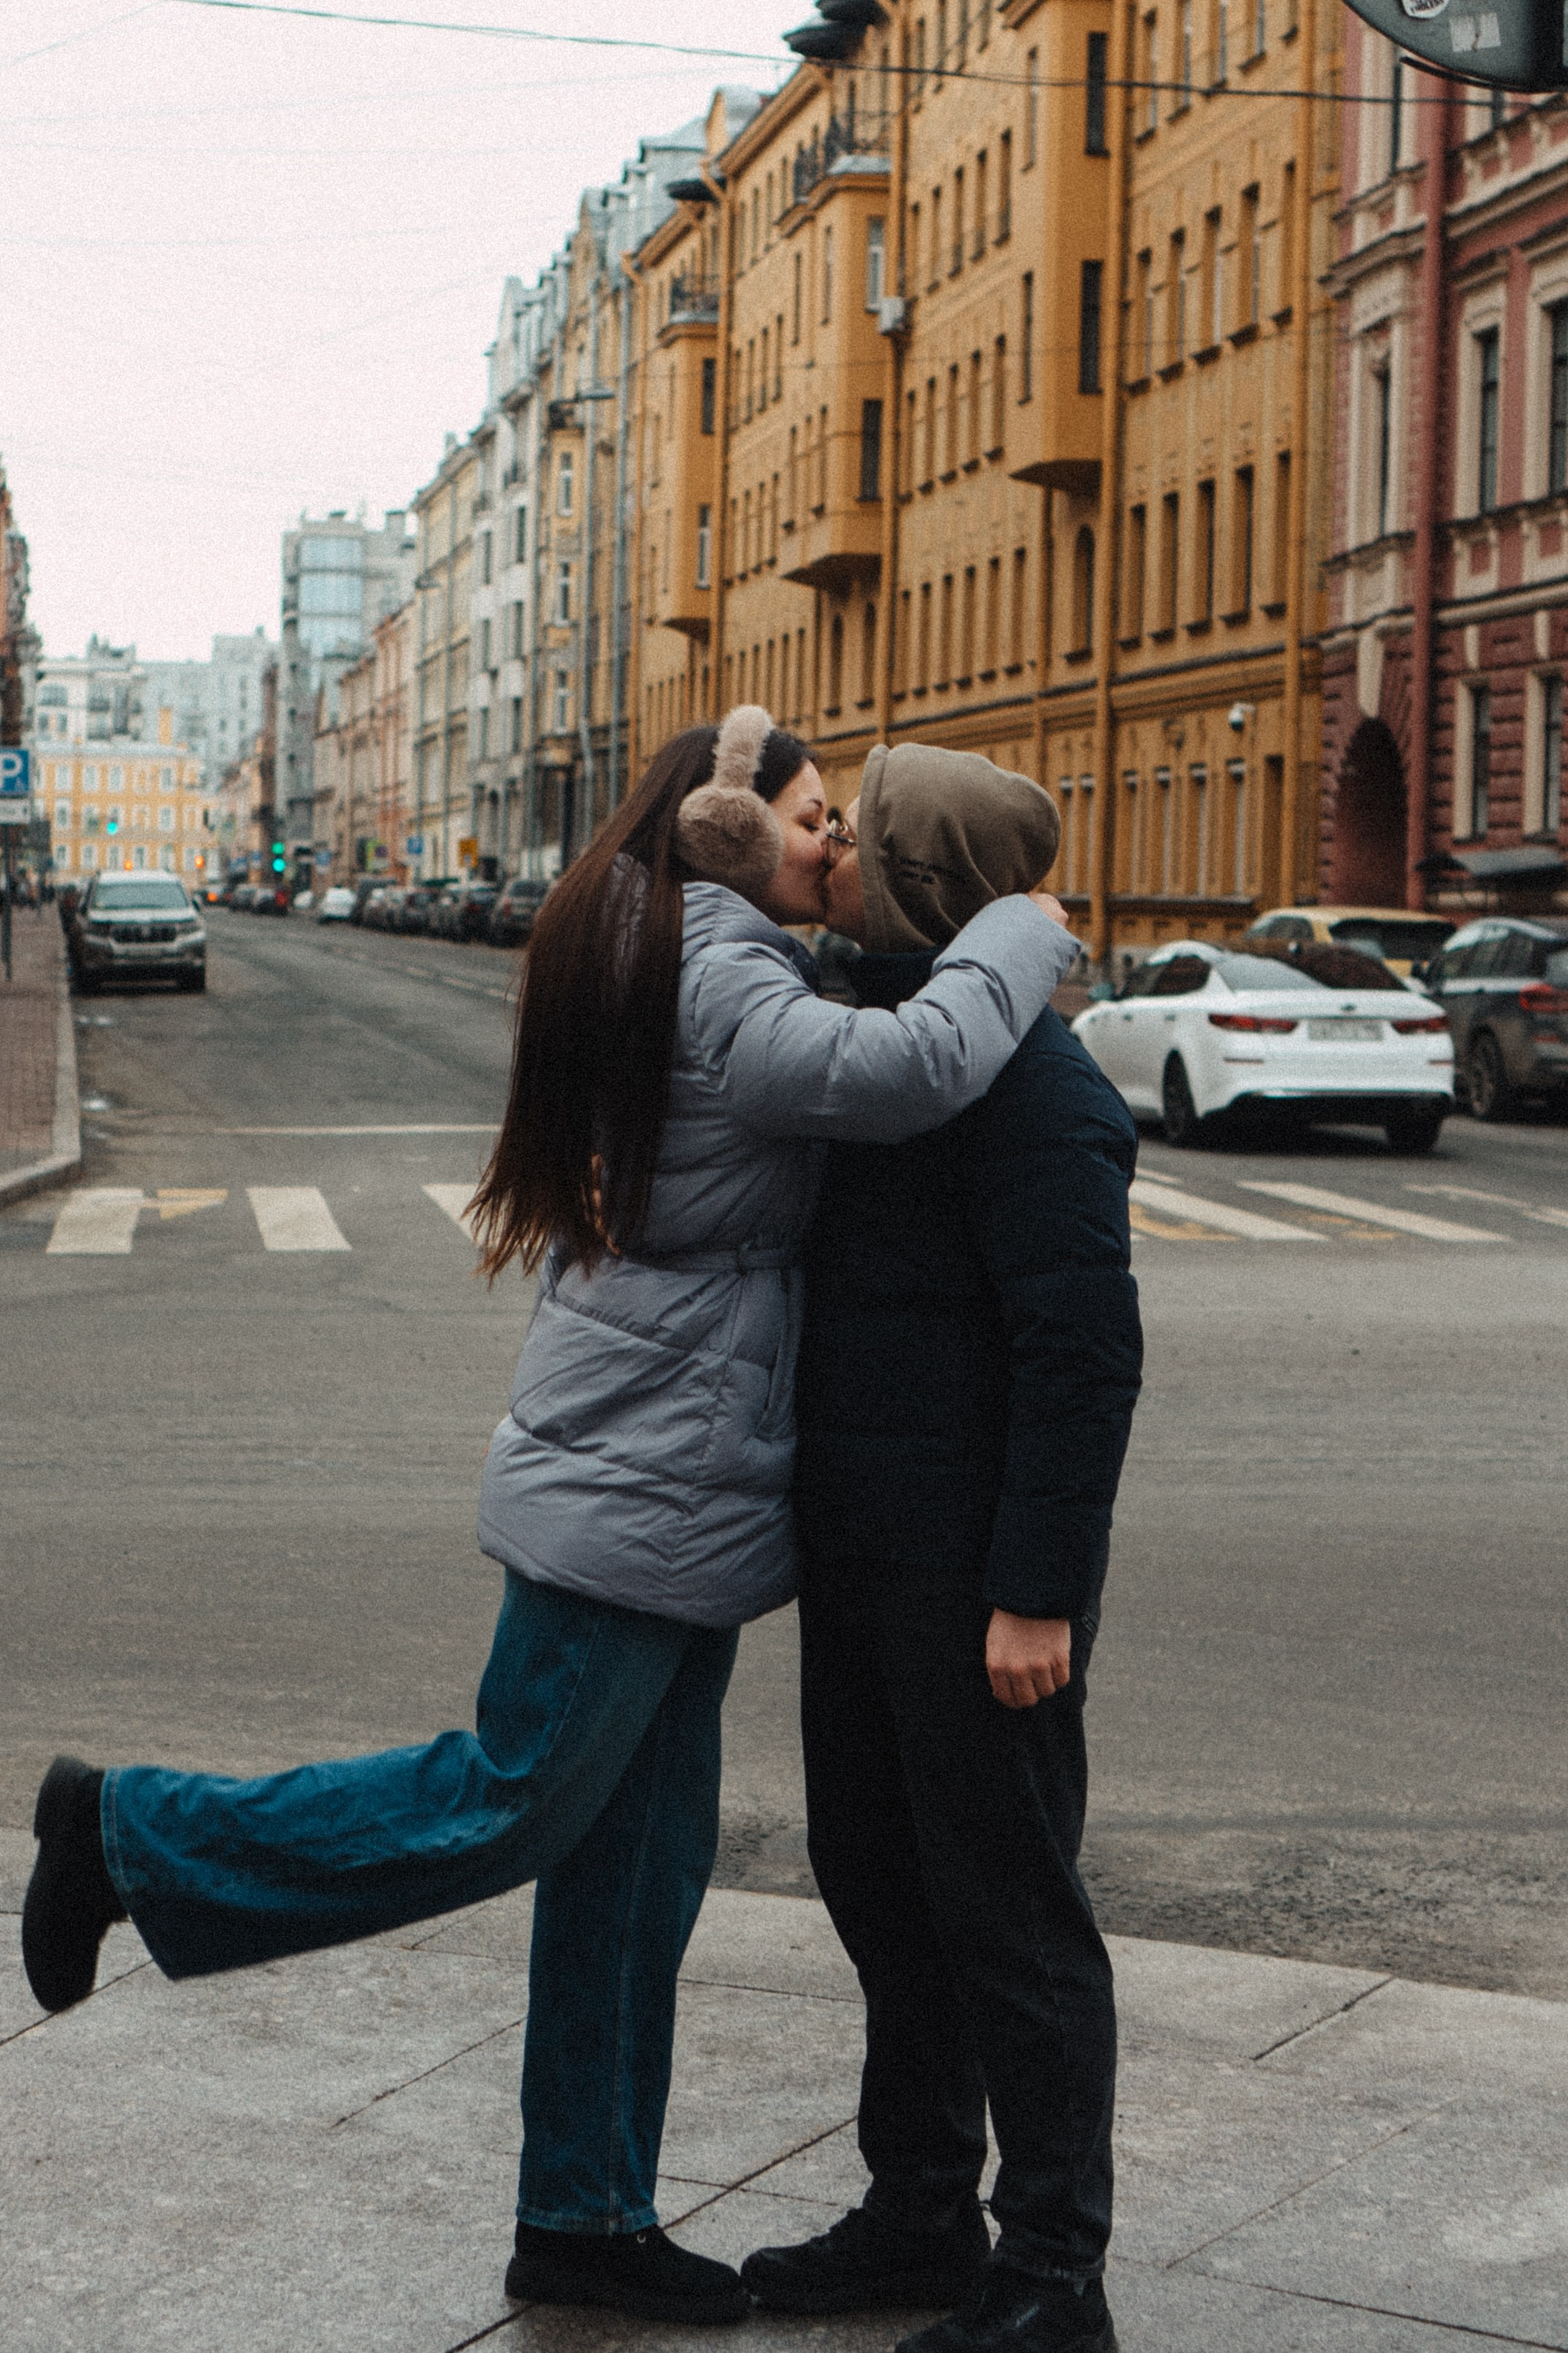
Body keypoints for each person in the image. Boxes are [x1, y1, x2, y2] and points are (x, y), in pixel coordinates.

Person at [22, 709, 1080, 2327]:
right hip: (641, 1473)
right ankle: (126, 1835)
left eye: (844, 824)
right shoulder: (718, 957)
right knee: (512, 1801)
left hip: (684, 1472)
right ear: (724, 826)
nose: (829, 845)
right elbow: (912, 1068)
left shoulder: (697, 939)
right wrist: (1017, 924)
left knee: (633, 1869)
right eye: (809, 816)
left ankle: (581, 2215)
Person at [741, 744, 1143, 2353]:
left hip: (981, 1585)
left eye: (858, 833)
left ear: (917, 875)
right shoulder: (882, 1047)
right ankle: (918, 2213)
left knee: (1008, 1920)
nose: (826, 849)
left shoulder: (1038, 1090)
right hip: (862, 1560)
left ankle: (1052, 2273)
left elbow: (1079, 1355)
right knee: (880, 1891)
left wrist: (1034, 1590)